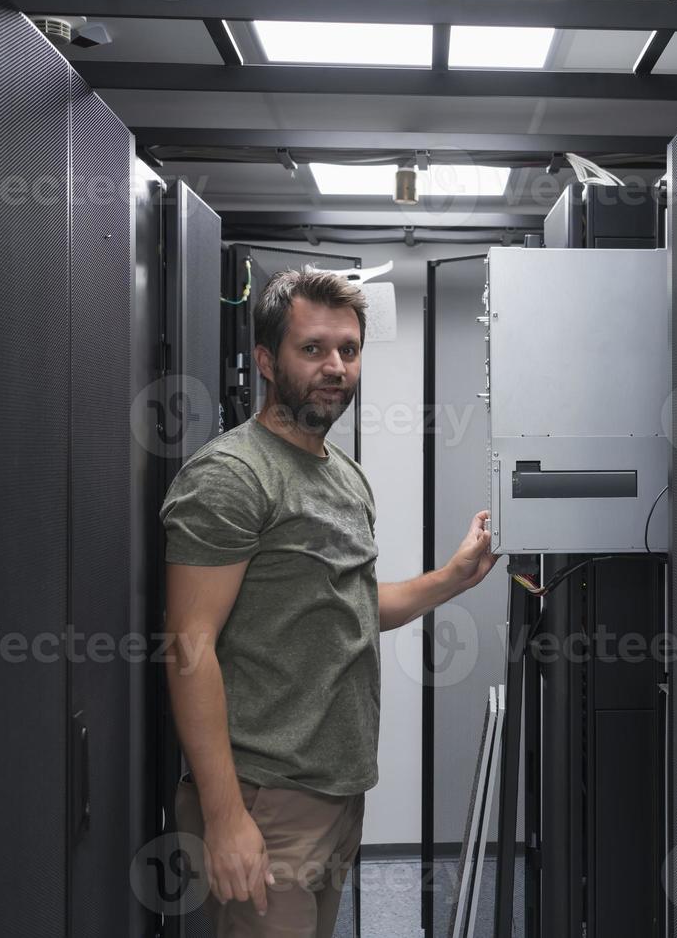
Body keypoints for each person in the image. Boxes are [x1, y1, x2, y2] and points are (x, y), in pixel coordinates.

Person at [161, 267, 498, 937]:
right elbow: (189, 647)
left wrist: (453, 578)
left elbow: (354, 606)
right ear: (266, 360)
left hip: (337, 792)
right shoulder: (231, 476)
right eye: (312, 349)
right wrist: (226, 817)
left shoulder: (343, 475)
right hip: (264, 800)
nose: (336, 366)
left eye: (348, 348)